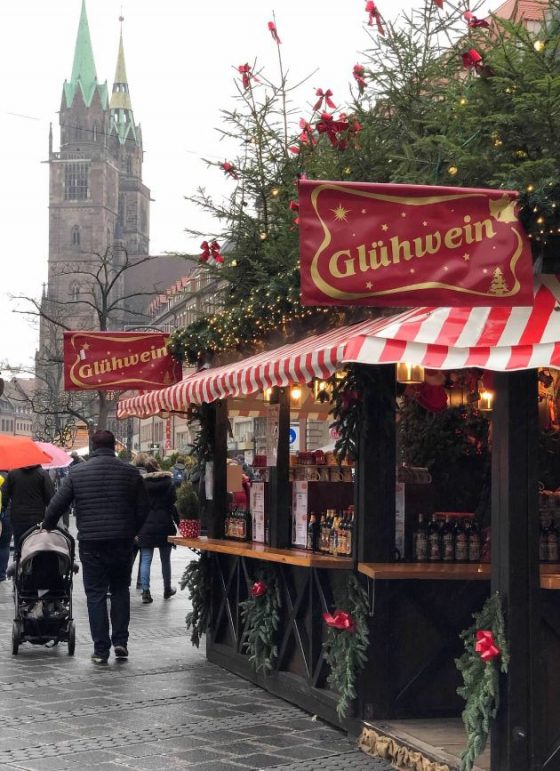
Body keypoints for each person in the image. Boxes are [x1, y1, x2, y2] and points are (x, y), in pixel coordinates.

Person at [43, 430, 149, 664]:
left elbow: (57, 504)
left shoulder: (77, 473)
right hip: (122, 541)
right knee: (121, 590)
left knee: (96, 594)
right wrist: (133, 530)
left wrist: (48, 524)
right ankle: (120, 641)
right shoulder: (131, 472)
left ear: (92, 447)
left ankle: (101, 649)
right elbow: (143, 508)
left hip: (91, 542)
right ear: (115, 446)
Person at [137, 458, 179, 604]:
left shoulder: (141, 484)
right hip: (164, 524)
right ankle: (167, 588)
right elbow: (173, 502)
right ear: (158, 466)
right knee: (165, 560)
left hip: (145, 524)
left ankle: (146, 591)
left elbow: (138, 505)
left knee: (146, 559)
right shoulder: (169, 482)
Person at [1, 464, 55, 549]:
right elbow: (51, 498)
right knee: (36, 546)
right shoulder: (43, 474)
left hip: (17, 518)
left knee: (19, 545)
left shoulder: (13, 474)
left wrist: (2, 511)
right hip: (37, 519)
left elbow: (4, 496)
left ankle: (19, 559)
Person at [0, 473, 12, 582]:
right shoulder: (10, 476)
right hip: (7, 513)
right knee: (4, 545)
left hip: (4, 512)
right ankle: (1, 575)